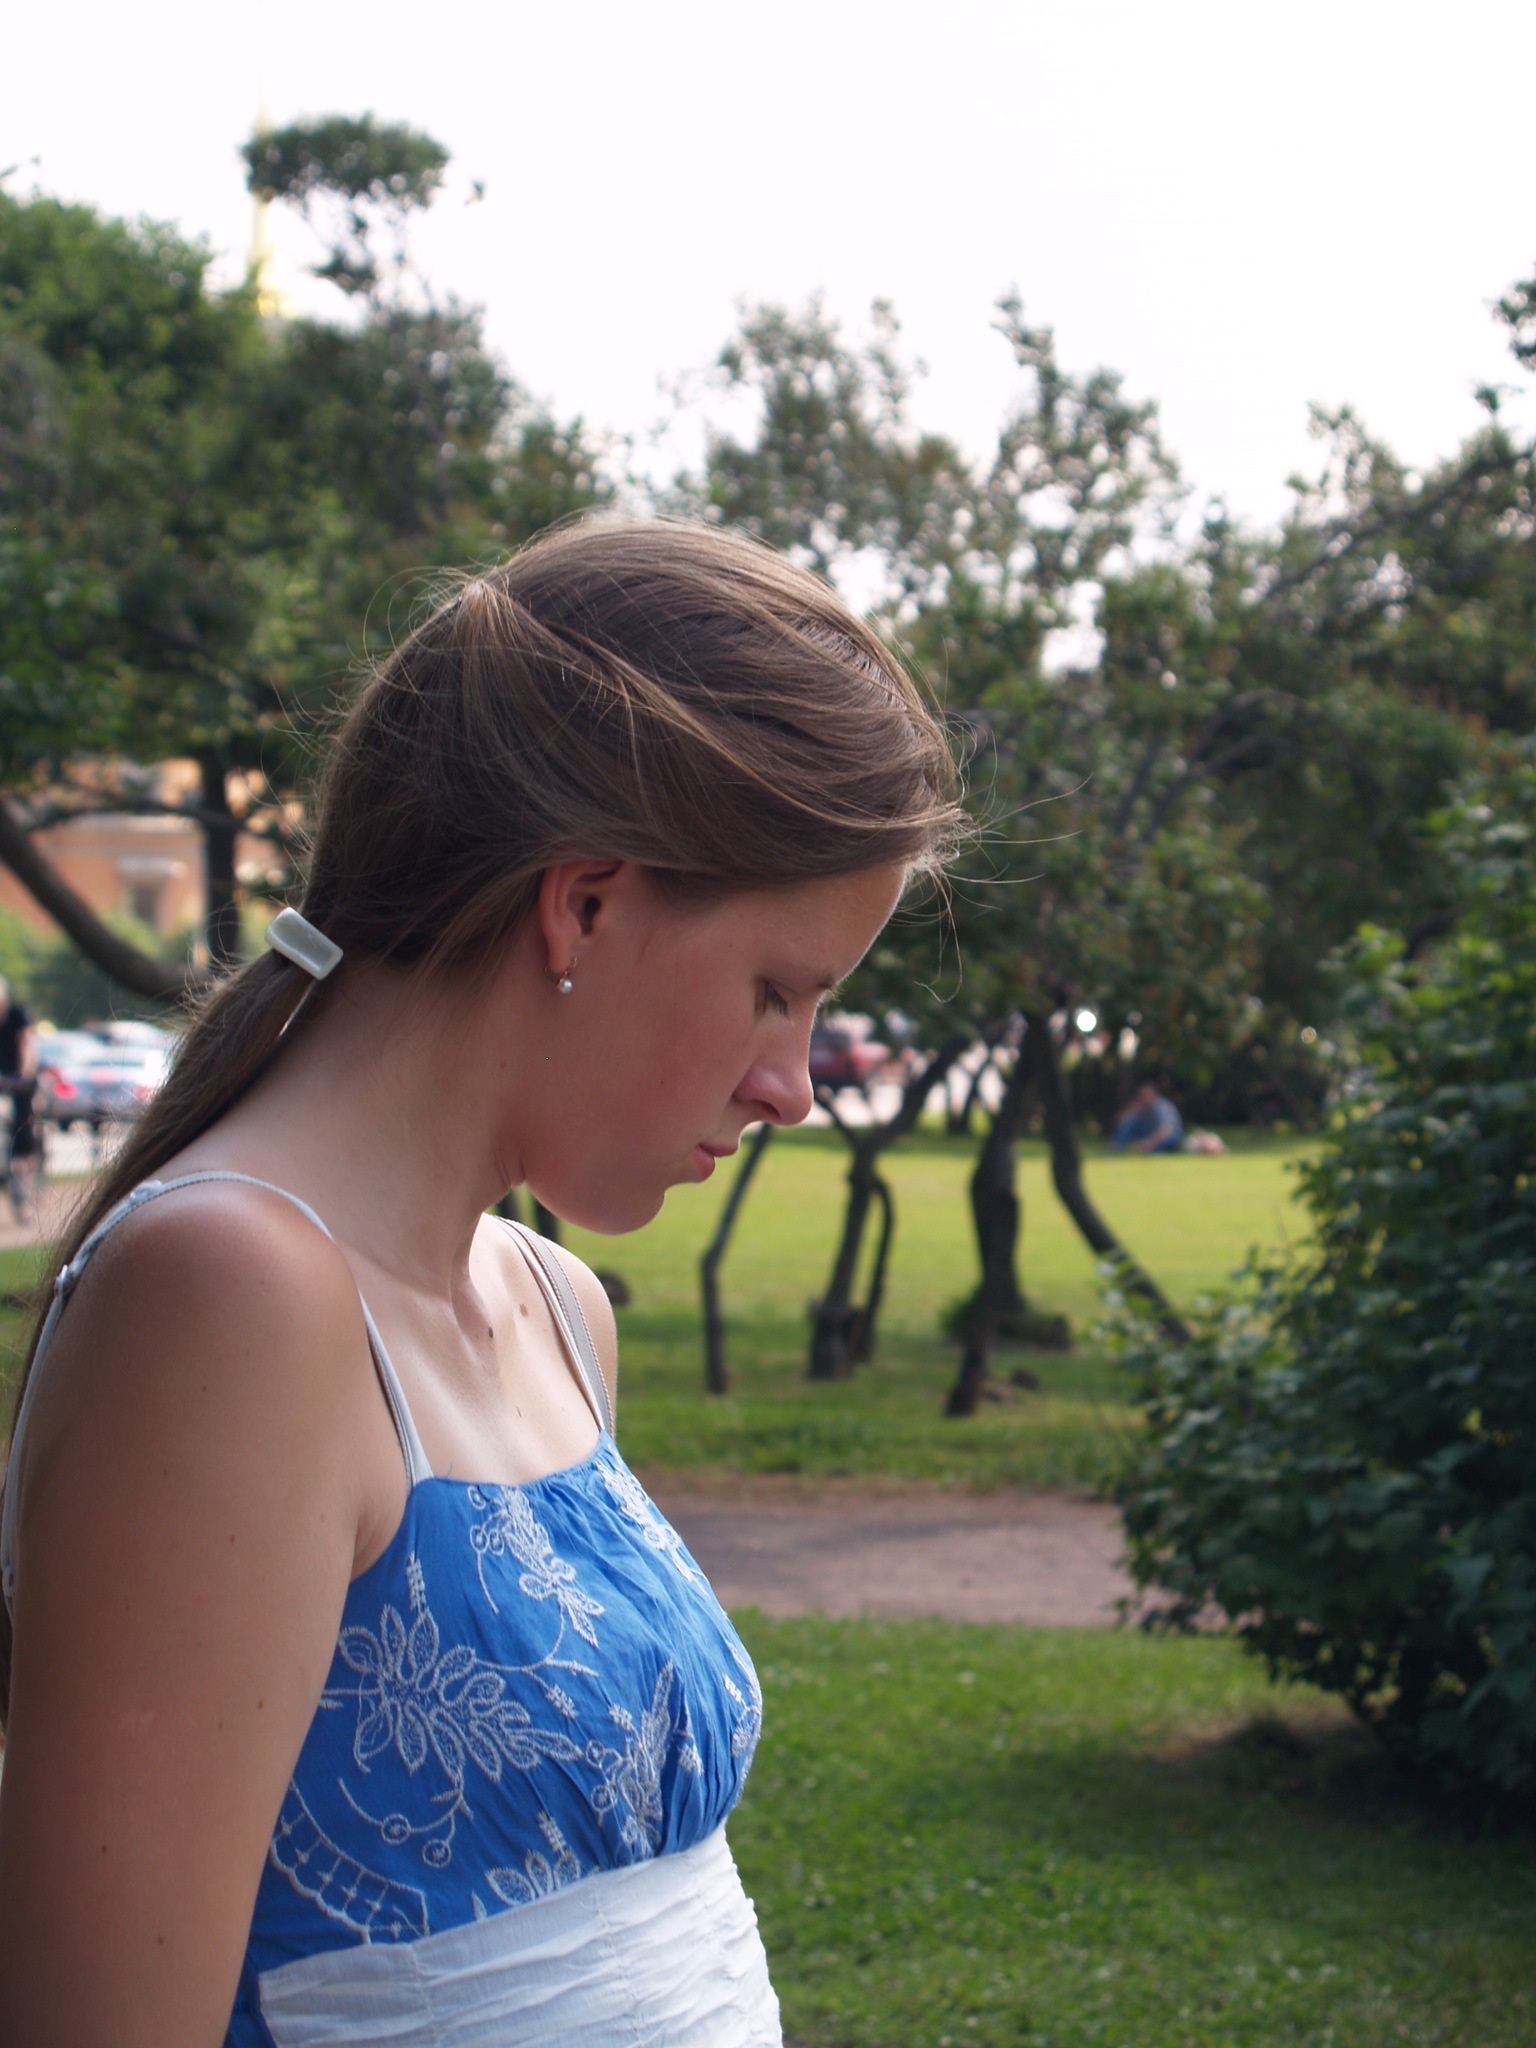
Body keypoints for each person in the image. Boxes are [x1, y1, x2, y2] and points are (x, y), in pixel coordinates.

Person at [0, 520, 961, 2048]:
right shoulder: (234, 1298)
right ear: (583, 905)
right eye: (776, 990)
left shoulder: (554, 1309)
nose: (793, 1084)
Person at [0, 974, 39, 1223]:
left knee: (22, 1127)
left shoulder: (17, 1015)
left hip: (18, 1080)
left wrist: (23, 1074)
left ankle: (24, 1164)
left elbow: (26, 1044)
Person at [1110, 1079, 1185, 1154]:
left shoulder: (1161, 1107)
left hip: (1167, 1138)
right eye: (1141, 1095)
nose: (1144, 1097)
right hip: (1150, 1134)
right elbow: (1120, 1121)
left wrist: (1148, 1143)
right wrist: (1131, 1110)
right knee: (1131, 1123)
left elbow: (1165, 1131)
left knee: (1167, 1139)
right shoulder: (1141, 1108)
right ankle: (1116, 1146)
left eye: (1146, 1094)